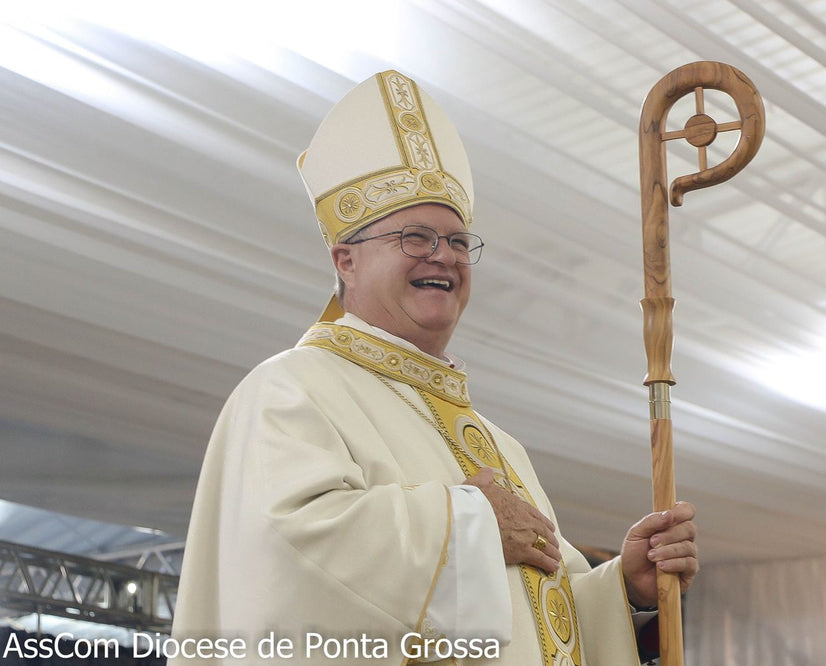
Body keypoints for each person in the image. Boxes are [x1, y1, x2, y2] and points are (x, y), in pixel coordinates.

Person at [170, 70, 697, 665]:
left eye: (457, 241)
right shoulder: (290, 389)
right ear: (345, 260)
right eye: (415, 238)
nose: (443, 256)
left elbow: (535, 620)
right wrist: (470, 526)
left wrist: (624, 588)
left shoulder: (501, 446)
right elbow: (287, 558)